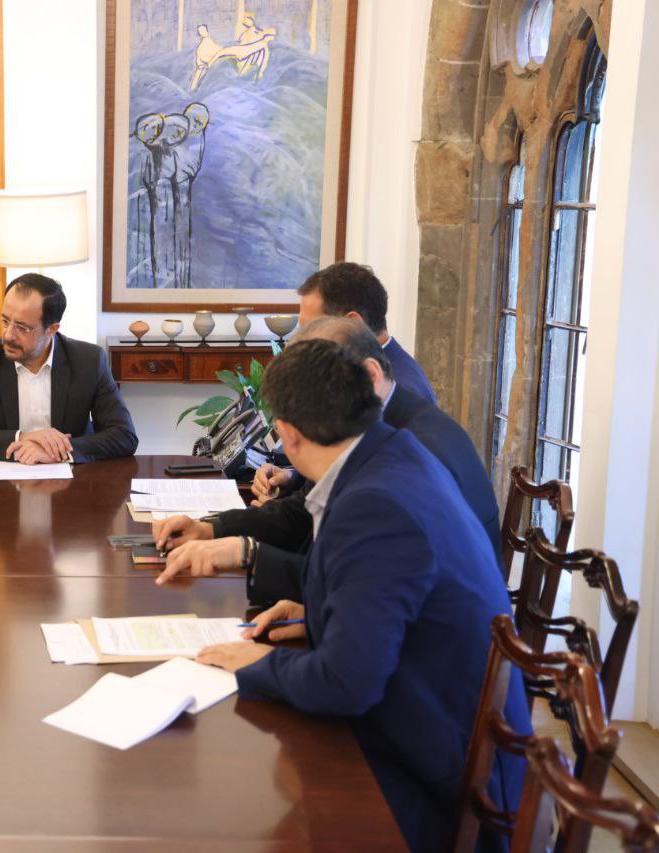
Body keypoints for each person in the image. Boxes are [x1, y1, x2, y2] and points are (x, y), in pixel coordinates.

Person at [172, 340, 529, 851]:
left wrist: (259, 662)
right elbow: (390, 595)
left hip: (437, 784)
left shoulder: (374, 505)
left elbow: (345, 684)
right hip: (444, 730)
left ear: (287, 435)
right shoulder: (396, 454)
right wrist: (318, 612)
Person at [155, 316, 501, 605]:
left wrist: (251, 557)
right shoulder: (370, 436)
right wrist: (215, 531)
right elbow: (309, 518)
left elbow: (362, 605)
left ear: (367, 376)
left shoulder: (411, 452)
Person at [0, 274, 138, 464]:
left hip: (72, 481)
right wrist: (22, 438)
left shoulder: (88, 361)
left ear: (51, 330)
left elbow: (124, 436)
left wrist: (57, 451)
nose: (8, 335)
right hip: (0, 482)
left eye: (22, 327)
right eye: (5, 321)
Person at [296, 261, 435, 404]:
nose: (301, 340)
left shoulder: (391, 389)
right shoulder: (369, 370)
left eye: (310, 328)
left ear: (353, 323)